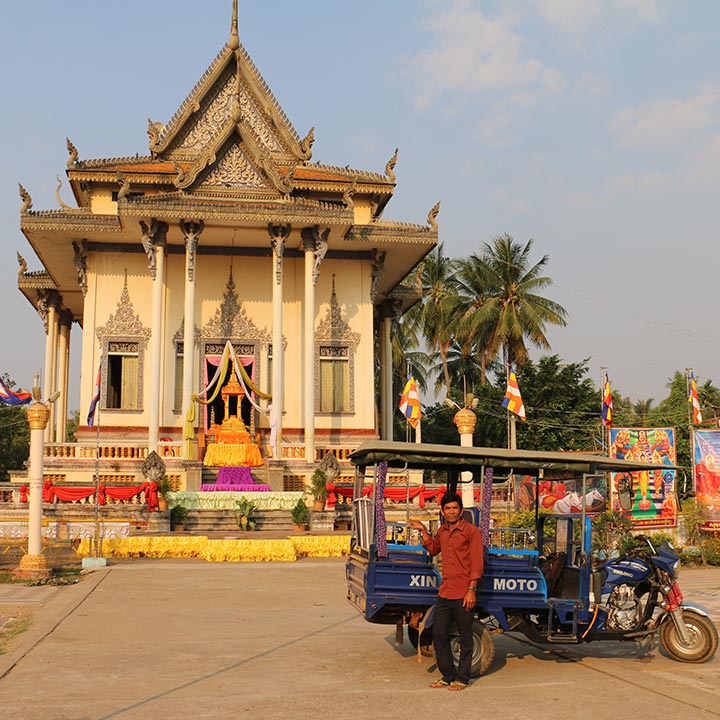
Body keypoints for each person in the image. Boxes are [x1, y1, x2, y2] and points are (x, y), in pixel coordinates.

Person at [408, 492, 484, 691]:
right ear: (442, 511)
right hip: (445, 592)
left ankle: (462, 678)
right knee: (439, 634)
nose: (451, 511)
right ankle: (448, 675)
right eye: (447, 508)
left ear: (460, 511)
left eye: (454, 508)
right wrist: (423, 531)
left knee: (465, 638)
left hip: (463, 592)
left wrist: (471, 590)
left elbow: (477, 562)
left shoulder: (471, 532)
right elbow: (434, 549)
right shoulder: (442, 531)